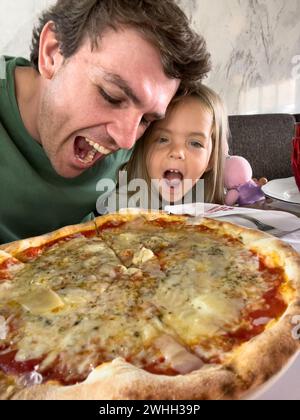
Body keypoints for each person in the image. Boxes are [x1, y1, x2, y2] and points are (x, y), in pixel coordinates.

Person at [0, 0, 211, 244]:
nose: (126, 140)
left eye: (146, 119)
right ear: (52, 53)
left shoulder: (138, 140)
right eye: (111, 96)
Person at [105, 84, 228, 212]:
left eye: (195, 143)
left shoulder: (219, 215)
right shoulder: (118, 210)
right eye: (163, 140)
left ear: (212, 159)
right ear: (143, 149)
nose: (177, 152)